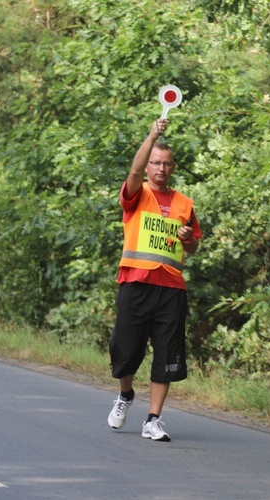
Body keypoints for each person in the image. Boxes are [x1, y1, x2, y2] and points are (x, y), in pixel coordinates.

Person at [107, 118, 202, 441]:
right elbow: (132, 174)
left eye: (166, 164)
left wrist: (188, 237)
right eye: (155, 163)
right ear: (147, 166)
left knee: (166, 353)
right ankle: (125, 395)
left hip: (171, 289)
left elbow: (193, 245)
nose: (161, 169)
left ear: (173, 167)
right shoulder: (136, 194)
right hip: (135, 284)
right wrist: (152, 134)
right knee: (125, 349)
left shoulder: (184, 203)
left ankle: (153, 419)